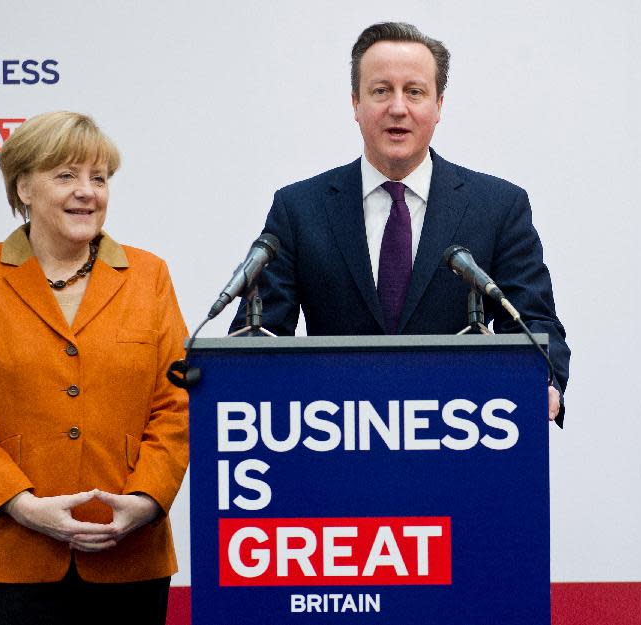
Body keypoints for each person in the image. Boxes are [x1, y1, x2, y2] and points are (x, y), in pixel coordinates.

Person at [230, 22, 570, 424]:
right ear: (355, 103)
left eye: (414, 91)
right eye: (380, 91)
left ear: (438, 105)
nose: (397, 107)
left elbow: (534, 322)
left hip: (459, 437)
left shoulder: (497, 207)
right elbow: (258, 335)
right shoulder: (299, 208)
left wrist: (541, 377)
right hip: (333, 439)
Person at [0, 111, 189, 625]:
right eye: (65, 176)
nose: (86, 192)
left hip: (128, 557)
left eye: (99, 177)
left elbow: (176, 404)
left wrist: (147, 499)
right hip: (6, 556)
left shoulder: (148, 275)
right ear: (23, 186)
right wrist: (20, 504)